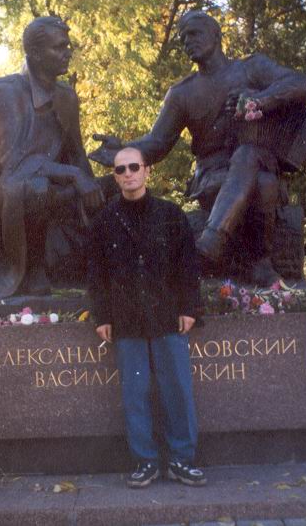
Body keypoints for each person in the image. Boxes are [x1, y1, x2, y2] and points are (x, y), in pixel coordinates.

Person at [89, 10, 306, 285]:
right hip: (213, 177)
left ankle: (214, 245)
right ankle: (257, 262)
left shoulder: (251, 68)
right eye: (183, 38)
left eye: (194, 33)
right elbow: (158, 142)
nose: (187, 41)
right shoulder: (182, 93)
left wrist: (259, 100)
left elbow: (302, 84)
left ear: (216, 35)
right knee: (262, 180)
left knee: (255, 165)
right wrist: (122, 150)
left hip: (259, 164)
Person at [87, 146, 206, 488]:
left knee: (177, 391)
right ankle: (145, 462)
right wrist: (102, 316)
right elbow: (96, 274)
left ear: (147, 170)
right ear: (115, 177)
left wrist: (189, 308)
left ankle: (182, 460)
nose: (128, 174)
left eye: (133, 167)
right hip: (126, 321)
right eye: (120, 169)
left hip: (168, 317)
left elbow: (188, 265)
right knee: (135, 395)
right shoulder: (104, 222)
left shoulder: (171, 215)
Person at [0, 16, 103, 298]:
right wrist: (74, 175)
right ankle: (33, 270)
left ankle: (108, 279)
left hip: (59, 192)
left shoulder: (67, 96)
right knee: (35, 188)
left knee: (123, 188)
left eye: (68, 46)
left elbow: (76, 154)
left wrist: (95, 185)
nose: (68, 52)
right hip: (17, 196)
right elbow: (15, 165)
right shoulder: (2, 93)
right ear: (34, 52)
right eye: (59, 47)